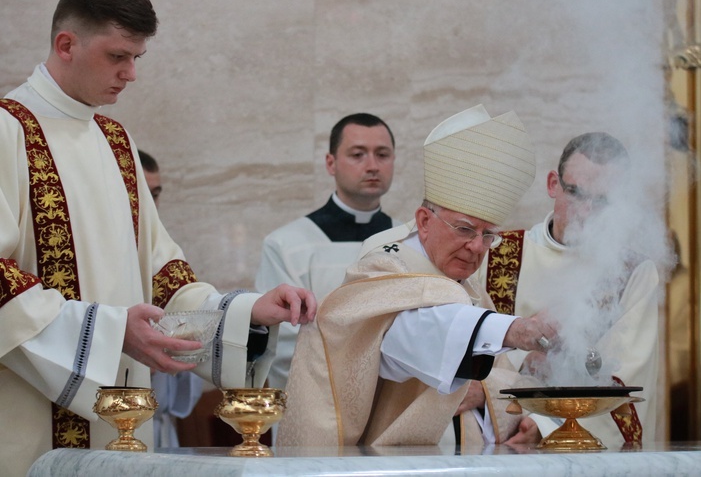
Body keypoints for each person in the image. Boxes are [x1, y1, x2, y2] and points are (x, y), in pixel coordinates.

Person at [0, 0, 314, 475]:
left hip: (121, 433)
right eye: (117, 56)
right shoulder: (7, 130)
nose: (130, 74)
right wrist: (107, 333)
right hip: (27, 426)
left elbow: (163, 276)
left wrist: (247, 311)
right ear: (66, 45)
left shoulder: (116, 141)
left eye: (137, 58)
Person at [277, 104, 556, 449]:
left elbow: (499, 373)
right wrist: (513, 329)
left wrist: (490, 395)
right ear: (424, 221)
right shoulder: (386, 264)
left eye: (488, 235)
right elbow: (408, 335)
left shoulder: (465, 285)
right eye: (465, 229)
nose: (477, 247)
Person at [482, 132, 660, 449]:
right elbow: (470, 354)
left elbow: (627, 383)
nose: (586, 212)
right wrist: (527, 359)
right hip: (493, 436)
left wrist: (544, 426)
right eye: (576, 193)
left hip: (587, 452)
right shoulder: (497, 254)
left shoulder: (632, 272)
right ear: (553, 184)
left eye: (603, 201)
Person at [256, 113, 397, 394]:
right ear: (331, 163)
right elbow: (283, 342)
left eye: (382, 155)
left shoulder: (412, 240)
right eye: (358, 154)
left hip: (395, 401)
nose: (372, 166)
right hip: (319, 402)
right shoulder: (286, 244)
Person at [137, 149, 206, 448]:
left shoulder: (164, 255)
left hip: (162, 428)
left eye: (156, 194)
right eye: (143, 193)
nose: (151, 205)